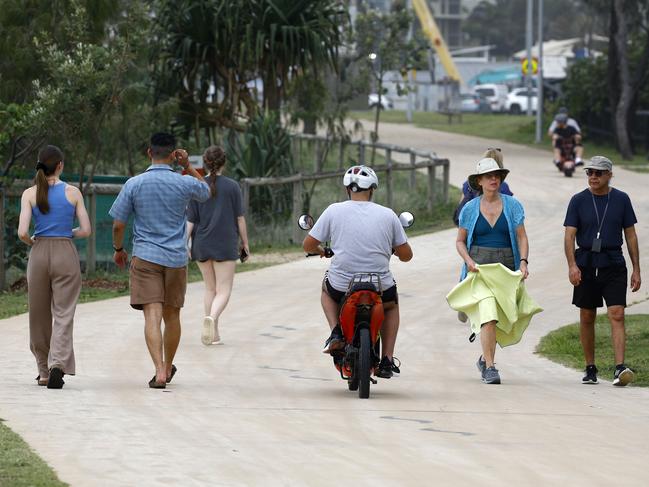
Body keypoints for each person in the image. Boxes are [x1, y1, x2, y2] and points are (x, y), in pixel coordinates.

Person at [109, 133, 210, 389]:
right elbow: (206, 192)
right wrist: (187, 166)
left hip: (145, 256)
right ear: (173, 154)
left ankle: (158, 370)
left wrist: (119, 249)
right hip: (175, 258)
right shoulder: (183, 182)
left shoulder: (134, 184)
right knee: (172, 315)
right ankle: (167, 366)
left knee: (151, 315)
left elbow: (118, 224)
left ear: (149, 152)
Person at [302, 165, 413, 378]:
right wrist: (394, 249)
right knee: (391, 305)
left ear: (347, 190)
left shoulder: (334, 210)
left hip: (342, 284)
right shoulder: (388, 215)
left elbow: (308, 245)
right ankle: (388, 359)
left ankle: (335, 333)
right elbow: (407, 255)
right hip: (379, 286)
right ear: (372, 190)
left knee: (326, 290)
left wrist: (321, 250)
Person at [17, 145, 91, 389]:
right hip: (64, 252)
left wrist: (34, 241)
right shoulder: (73, 192)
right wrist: (66, 233)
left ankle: (43, 371)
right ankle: (57, 363)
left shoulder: (29, 193)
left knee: (38, 314)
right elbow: (86, 230)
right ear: (60, 165)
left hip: (38, 254)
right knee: (63, 312)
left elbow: (22, 232)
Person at [563, 156, 640, 386]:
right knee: (587, 315)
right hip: (585, 262)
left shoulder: (621, 199)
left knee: (617, 313)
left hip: (613, 261)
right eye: (589, 173)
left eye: (598, 173)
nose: (593, 177)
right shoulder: (578, 200)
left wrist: (636, 269)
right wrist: (572, 265)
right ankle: (590, 367)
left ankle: (619, 368)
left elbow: (631, 235)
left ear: (609, 175)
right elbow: (569, 235)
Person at [456, 157, 529, 384]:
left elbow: (521, 236)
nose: (493, 179)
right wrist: (468, 260)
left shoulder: (513, 205)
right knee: (488, 314)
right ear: (479, 181)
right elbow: (460, 241)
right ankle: (490, 367)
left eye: (497, 175)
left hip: (506, 267)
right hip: (478, 268)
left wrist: (524, 262)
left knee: (499, 318)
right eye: (489, 176)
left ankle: (484, 357)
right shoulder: (469, 208)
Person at [187, 145, 249, 345]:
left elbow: (190, 221)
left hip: (201, 243)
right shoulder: (232, 186)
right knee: (224, 290)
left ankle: (213, 334)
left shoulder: (197, 186)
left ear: (205, 163)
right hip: (224, 243)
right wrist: (245, 244)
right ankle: (212, 320)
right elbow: (240, 219)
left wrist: (185, 244)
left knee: (209, 289)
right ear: (224, 163)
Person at [453, 147, 513, 227]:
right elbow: (510, 214)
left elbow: (461, 205)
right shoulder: (503, 187)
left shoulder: (469, 184)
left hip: (469, 226)